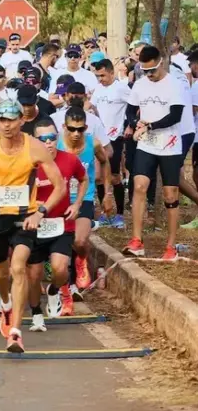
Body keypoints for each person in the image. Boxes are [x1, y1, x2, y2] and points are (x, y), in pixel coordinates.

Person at [0, 99, 66, 353]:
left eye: (11, 120)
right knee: (0, 270)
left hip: (25, 217)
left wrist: (40, 213)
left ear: (22, 120)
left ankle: (16, 333)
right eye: (2, 120)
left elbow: (60, 186)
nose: (6, 125)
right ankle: (7, 305)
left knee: (19, 267)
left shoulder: (36, 148)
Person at [124, 45, 184, 260]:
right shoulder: (140, 85)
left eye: (152, 71)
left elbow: (175, 116)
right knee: (139, 186)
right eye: (144, 71)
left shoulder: (175, 84)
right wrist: (134, 122)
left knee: (170, 194)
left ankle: (171, 245)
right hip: (146, 144)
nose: (149, 75)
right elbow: (130, 109)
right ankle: (136, 240)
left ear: (161, 63)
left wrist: (150, 126)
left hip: (170, 145)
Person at [28, 118, 87, 330]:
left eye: (52, 138)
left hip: (61, 225)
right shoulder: (28, 163)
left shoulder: (70, 160)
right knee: (33, 276)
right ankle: (35, 314)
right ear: (34, 141)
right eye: (43, 139)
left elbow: (84, 179)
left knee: (60, 269)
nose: (49, 143)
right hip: (34, 226)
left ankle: (54, 290)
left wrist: (77, 204)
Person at [57, 107, 111, 301]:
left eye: (81, 129)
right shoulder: (55, 144)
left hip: (84, 198)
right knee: (63, 243)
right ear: (64, 126)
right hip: (60, 200)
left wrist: (107, 193)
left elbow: (105, 162)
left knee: (79, 241)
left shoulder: (93, 143)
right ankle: (67, 286)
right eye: (72, 129)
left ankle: (81, 261)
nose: (76, 133)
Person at [91, 59, 130, 228]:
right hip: (99, 138)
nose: (101, 79)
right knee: (99, 177)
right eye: (98, 76)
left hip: (115, 138)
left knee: (114, 177)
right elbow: (92, 106)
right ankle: (105, 214)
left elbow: (135, 105)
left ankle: (120, 215)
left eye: (103, 75)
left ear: (111, 73)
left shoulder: (121, 88)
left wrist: (130, 124)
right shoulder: (98, 89)